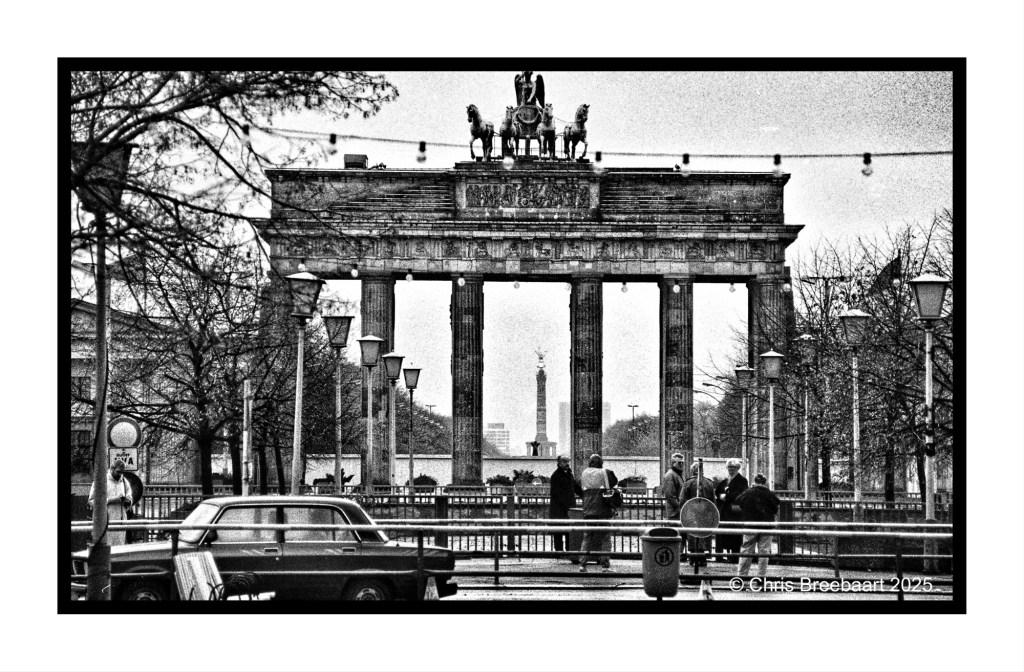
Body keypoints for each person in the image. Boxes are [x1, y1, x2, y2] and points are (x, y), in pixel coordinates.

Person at [735, 473, 781, 581]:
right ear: (765, 482)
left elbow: (738, 501)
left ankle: (741, 577)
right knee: (764, 552)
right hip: (767, 526)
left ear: (754, 481)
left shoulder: (749, 492)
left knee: (746, 550)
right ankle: (761, 577)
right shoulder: (769, 493)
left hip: (750, 525)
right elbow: (775, 508)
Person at [578, 453, 618, 573]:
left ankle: (582, 564)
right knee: (605, 537)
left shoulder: (584, 473)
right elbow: (614, 481)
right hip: (603, 509)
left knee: (587, 537)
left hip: (588, 509)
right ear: (601, 463)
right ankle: (605, 565)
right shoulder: (604, 472)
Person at [89, 458, 133, 546]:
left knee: (119, 547)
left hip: (120, 520)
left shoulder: (124, 482)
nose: (120, 474)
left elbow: (130, 498)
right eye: (118, 471)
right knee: (106, 545)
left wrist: (128, 501)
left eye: (122, 472)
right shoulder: (101, 481)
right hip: (105, 520)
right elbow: (91, 501)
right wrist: (110, 500)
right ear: (112, 469)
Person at [549, 454, 583, 560]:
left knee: (569, 531)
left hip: (567, 508)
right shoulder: (556, 476)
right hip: (559, 508)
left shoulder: (569, 474)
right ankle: (559, 552)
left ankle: (569, 551)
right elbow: (556, 493)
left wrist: (584, 495)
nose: (567, 463)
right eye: (564, 461)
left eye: (568, 461)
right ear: (558, 463)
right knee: (559, 531)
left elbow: (576, 487)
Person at [714, 458, 749, 562]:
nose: (731, 469)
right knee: (721, 534)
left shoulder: (742, 481)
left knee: (734, 534)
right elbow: (717, 491)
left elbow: (742, 494)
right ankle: (719, 556)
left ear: (738, 468)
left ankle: (734, 557)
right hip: (724, 512)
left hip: (734, 513)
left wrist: (727, 496)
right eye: (729, 467)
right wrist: (720, 495)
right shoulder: (725, 481)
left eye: (733, 467)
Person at [682, 461, 715, 567]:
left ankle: (693, 558)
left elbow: (682, 499)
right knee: (704, 534)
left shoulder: (688, 483)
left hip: (692, 512)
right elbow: (713, 501)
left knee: (693, 534)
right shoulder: (709, 483)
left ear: (693, 471)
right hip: (705, 512)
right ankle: (703, 558)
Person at [661, 452, 686, 520]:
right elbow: (670, 496)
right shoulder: (670, 475)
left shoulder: (678, 475)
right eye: (679, 463)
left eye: (682, 463)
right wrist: (680, 507)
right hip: (674, 512)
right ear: (673, 463)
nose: (681, 465)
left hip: (677, 511)